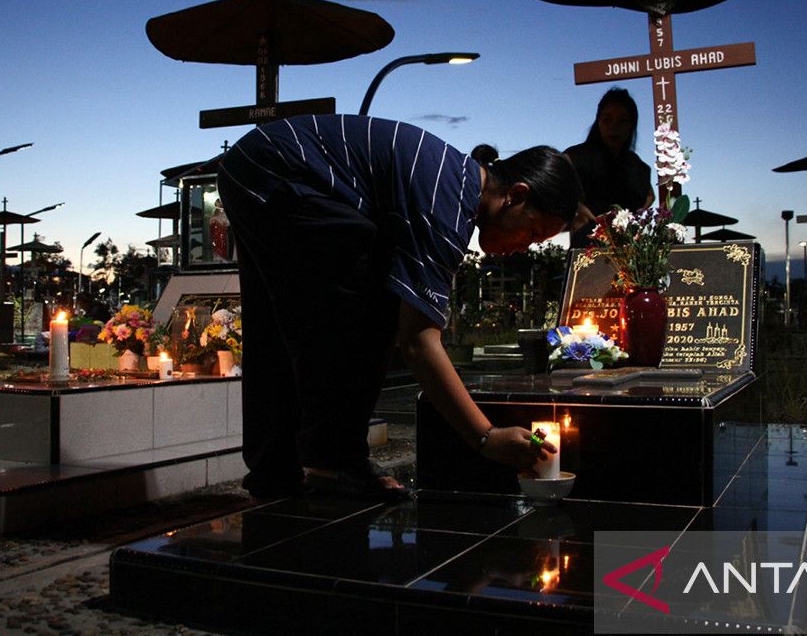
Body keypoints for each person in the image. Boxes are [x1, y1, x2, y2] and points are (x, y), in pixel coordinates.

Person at [217, 113, 579, 500]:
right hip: (280, 168)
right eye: (534, 232)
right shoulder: (446, 207)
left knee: (274, 323)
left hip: (251, 165)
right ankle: (335, 461)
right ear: (517, 195)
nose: (525, 246)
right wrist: (486, 438)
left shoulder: (451, 182)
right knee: (375, 303)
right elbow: (419, 342)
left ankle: (275, 470)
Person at [564, 87, 655, 248]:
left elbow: (649, 195)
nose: (614, 127)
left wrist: (629, 218)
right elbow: (553, 186)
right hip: (586, 250)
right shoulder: (575, 157)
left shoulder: (638, 167)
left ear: (632, 125)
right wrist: (576, 209)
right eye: (607, 119)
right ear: (598, 121)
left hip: (626, 250)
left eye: (622, 120)